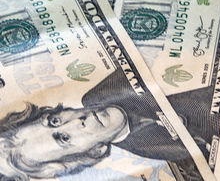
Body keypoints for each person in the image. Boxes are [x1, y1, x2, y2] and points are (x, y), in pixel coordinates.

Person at [0, 71, 206, 180]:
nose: (76, 122)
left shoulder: (119, 78)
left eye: (54, 121)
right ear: (91, 152)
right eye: (64, 138)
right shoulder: (167, 161)